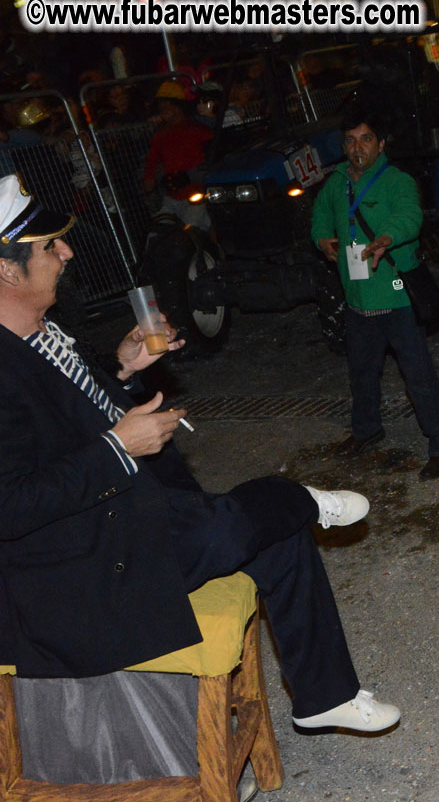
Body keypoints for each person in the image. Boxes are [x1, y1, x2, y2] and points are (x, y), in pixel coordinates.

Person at [0, 173, 399, 732]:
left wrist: (124, 370)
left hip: (119, 517)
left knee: (272, 533)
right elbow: (13, 505)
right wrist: (120, 446)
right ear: (5, 269)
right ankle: (298, 499)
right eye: (48, 246)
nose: (65, 251)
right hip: (73, 571)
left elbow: (70, 422)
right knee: (237, 524)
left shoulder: (39, 332)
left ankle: (325, 696)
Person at [311, 104, 439, 479]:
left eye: (366, 139)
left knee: (418, 377)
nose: (357, 147)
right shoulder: (337, 183)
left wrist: (386, 238)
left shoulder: (397, 181)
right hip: (357, 301)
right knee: (361, 374)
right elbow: (320, 217)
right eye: (350, 140)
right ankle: (366, 430)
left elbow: (410, 215)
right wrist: (323, 239)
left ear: (381, 144)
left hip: (397, 299)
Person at [141, 81, 212, 231]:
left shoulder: (198, 129)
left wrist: (195, 176)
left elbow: (211, 157)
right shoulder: (160, 135)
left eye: (168, 105)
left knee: (192, 231)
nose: (164, 109)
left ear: (179, 106)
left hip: (197, 193)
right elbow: (152, 160)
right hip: (172, 196)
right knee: (158, 231)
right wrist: (149, 177)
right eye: (161, 106)